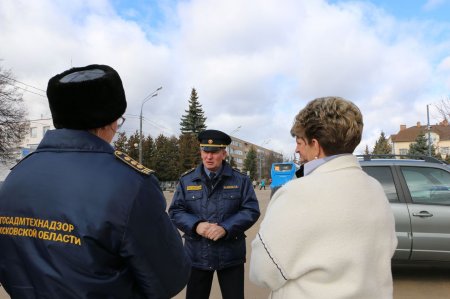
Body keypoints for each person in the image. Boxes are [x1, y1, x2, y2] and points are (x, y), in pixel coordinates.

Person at [0, 64, 190, 298]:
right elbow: (170, 277)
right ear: (109, 122)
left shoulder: (15, 176)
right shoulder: (130, 183)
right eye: (119, 122)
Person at [249, 97, 397, 299]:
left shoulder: (296, 193)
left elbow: (263, 271)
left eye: (300, 142)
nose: (296, 150)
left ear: (316, 145)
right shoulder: (375, 188)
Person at [169, 129, 260, 299]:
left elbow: (251, 210)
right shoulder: (187, 180)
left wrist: (226, 228)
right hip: (197, 255)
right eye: (205, 151)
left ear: (224, 153)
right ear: (201, 152)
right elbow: (175, 211)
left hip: (230, 253)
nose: (209, 157)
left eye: (214, 152)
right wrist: (196, 225)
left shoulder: (240, 180)